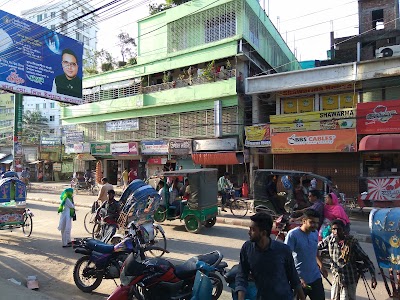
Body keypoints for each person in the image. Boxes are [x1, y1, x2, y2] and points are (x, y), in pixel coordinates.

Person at [236, 212, 305, 300]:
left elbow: (294, 278)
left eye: (253, 230)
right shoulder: (247, 248)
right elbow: (242, 275)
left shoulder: (283, 250)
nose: (249, 232)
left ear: (263, 233)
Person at [318, 219, 377, 300]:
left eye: (339, 229)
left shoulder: (351, 242)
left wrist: (373, 276)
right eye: (334, 229)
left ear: (344, 230)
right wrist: (320, 264)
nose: (336, 232)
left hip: (349, 278)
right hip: (337, 277)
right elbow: (315, 248)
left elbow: (365, 258)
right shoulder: (329, 240)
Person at [285, 209, 328, 300]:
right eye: (312, 222)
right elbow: (286, 258)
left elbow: (314, 250)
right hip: (299, 280)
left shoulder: (315, 233)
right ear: (304, 221)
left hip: (315, 278)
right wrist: (297, 277)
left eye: (316, 223)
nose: (315, 225)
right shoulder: (293, 235)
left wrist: (321, 266)